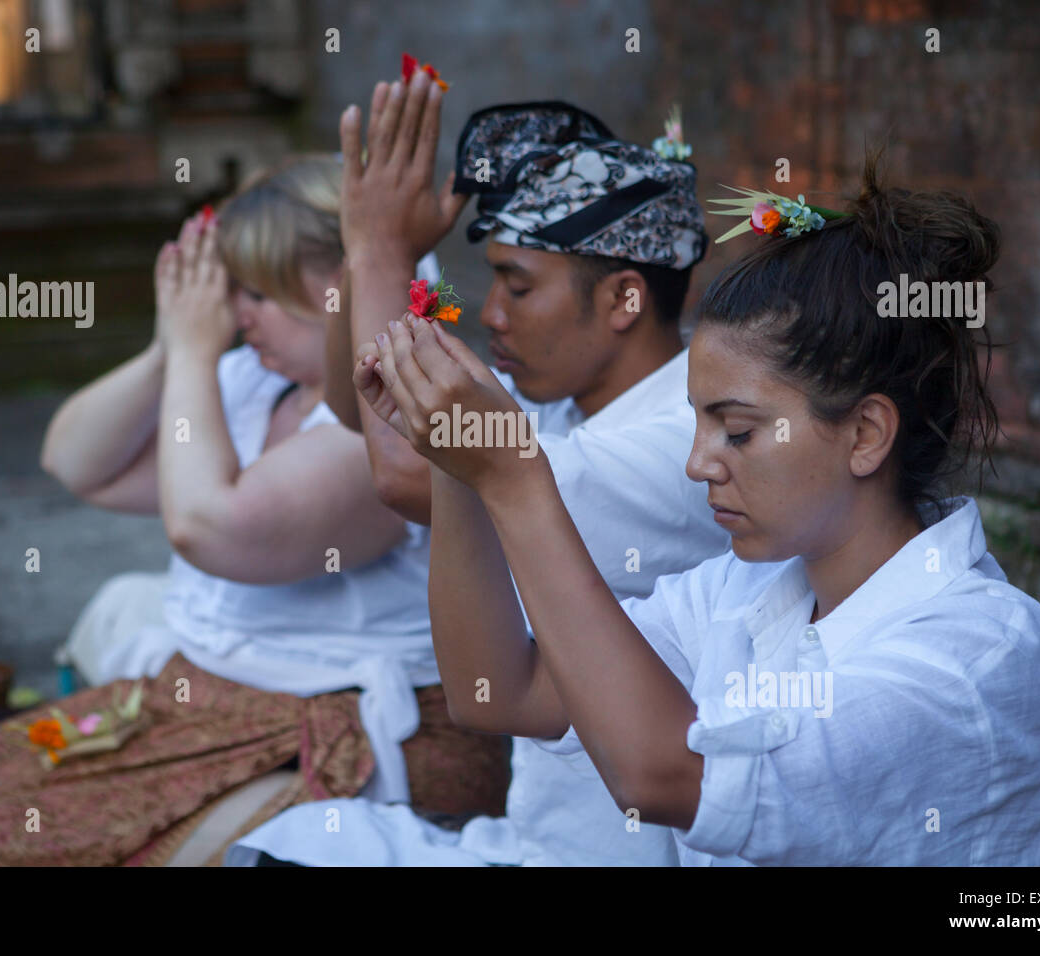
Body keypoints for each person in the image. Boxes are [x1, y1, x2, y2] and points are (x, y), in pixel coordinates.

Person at [339, 155, 1040, 865]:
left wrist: (517, 481)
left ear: (865, 435)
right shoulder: (743, 595)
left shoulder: (981, 653)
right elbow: (498, 693)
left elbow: (664, 778)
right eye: (698, 423)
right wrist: (454, 459)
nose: (699, 463)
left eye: (738, 431)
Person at [0, 156, 508, 868]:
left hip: (340, 728)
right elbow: (79, 465)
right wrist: (170, 349)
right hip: (215, 705)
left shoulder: (395, 422)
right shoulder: (260, 383)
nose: (235, 316)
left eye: (255, 292)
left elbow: (209, 527)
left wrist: (197, 355)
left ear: (334, 289)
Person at [228, 75, 730, 866]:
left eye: (519, 285)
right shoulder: (567, 412)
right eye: (491, 278)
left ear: (625, 300)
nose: (490, 312)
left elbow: (403, 473)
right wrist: (366, 257)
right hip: (537, 831)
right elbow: (363, 410)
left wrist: (381, 249)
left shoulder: (685, 441)